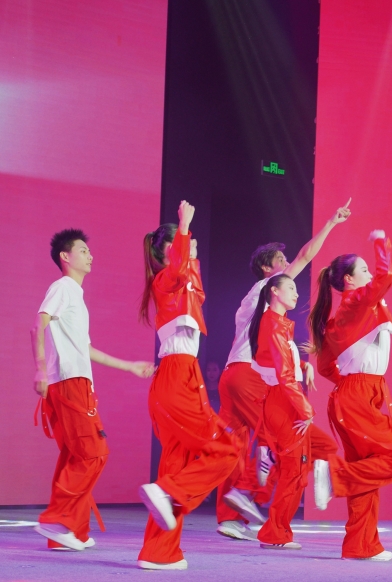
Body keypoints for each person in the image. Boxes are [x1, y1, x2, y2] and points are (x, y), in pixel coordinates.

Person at [215, 200, 351, 541]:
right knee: (279, 439)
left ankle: (230, 518)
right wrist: (331, 224)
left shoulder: (255, 302)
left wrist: (301, 363)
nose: (288, 265)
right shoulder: (268, 289)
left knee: (233, 448)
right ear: (268, 270)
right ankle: (248, 493)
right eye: (280, 261)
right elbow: (305, 255)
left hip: (232, 376)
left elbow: (271, 347)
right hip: (250, 376)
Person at [31, 229, 155, 551]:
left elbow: (87, 350)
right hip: (70, 383)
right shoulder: (63, 287)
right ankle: (57, 521)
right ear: (66, 256)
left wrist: (129, 366)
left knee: (76, 455)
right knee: (94, 453)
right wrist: (40, 368)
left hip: (74, 382)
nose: (90, 255)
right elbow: (37, 324)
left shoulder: (76, 296)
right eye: (83, 250)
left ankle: (69, 532)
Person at [136, 201, 239, 570]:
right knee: (227, 449)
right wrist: (183, 225)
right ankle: (168, 492)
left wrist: (185, 244)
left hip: (176, 378)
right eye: (187, 242)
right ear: (169, 249)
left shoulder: (181, 281)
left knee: (176, 464)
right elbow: (180, 268)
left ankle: (158, 553)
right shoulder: (166, 279)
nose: (193, 246)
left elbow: (188, 272)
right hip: (179, 377)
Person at [309, 230, 392, 562]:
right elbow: (386, 277)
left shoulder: (347, 313)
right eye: (363, 270)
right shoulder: (356, 302)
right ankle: (334, 475)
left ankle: (360, 545)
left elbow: (325, 366)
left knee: (366, 472)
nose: (370, 275)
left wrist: (349, 383)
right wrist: (381, 243)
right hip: (358, 394)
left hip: (354, 393)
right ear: (349, 280)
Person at [247, 274, 339, 549]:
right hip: (284, 402)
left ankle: (315, 478)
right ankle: (275, 534)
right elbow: (284, 375)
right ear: (274, 292)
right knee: (294, 471)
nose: (297, 294)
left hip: (284, 399)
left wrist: (304, 366)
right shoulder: (274, 325)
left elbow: (279, 362)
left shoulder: (278, 324)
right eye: (291, 288)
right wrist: (306, 409)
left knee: (324, 448)